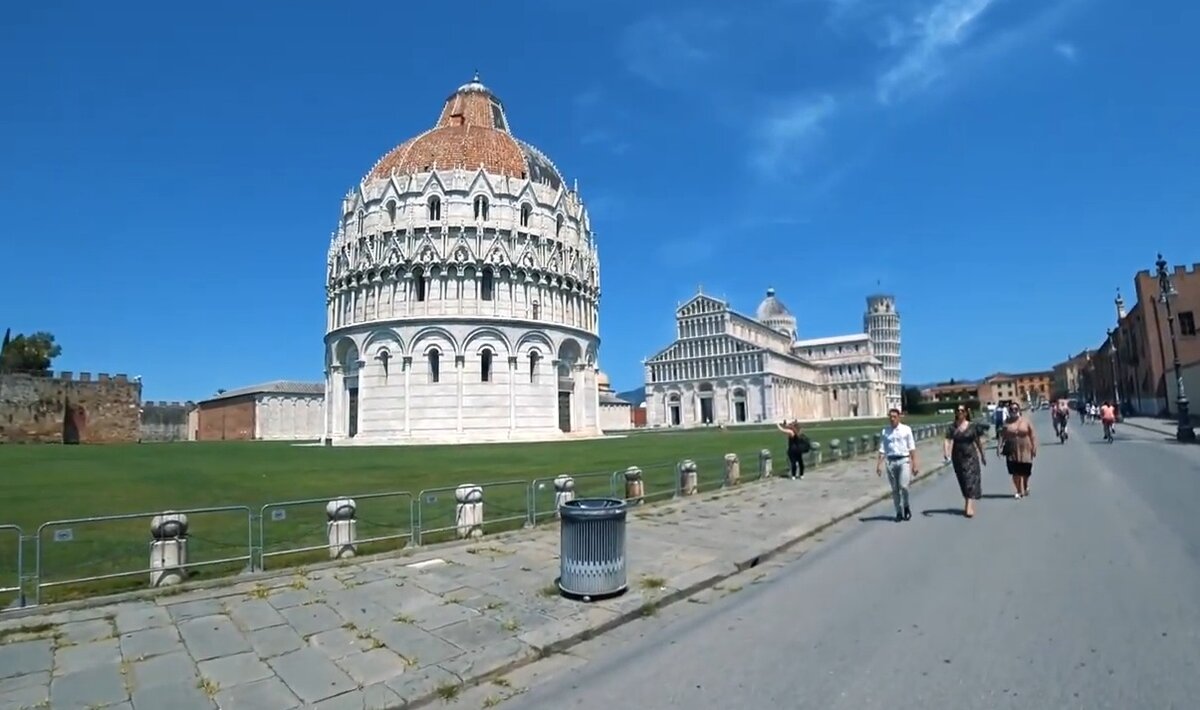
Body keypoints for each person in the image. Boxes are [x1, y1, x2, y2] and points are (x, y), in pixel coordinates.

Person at [943, 405, 987, 517]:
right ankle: (967, 500)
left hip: (970, 456)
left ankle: (969, 505)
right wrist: (946, 452)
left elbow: (978, 441)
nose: (960, 413)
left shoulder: (972, 426)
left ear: (966, 413)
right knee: (962, 480)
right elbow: (947, 440)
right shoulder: (952, 427)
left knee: (969, 480)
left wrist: (982, 455)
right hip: (957, 457)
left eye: (962, 411)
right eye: (958, 411)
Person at [876, 408, 919, 522]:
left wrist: (915, 464)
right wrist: (879, 465)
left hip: (904, 460)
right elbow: (882, 449)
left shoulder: (906, 430)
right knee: (894, 489)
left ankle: (906, 505)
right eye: (890, 416)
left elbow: (912, 448)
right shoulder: (885, 431)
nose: (892, 419)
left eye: (894, 416)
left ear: (899, 417)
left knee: (904, 486)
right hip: (890, 461)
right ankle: (898, 512)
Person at [998, 401, 1037, 498]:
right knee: (1015, 472)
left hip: (1025, 448)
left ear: (1019, 410)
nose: (1013, 411)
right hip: (1011, 449)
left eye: (1016, 409)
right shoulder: (1006, 422)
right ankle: (1019, 490)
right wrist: (999, 447)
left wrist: (1034, 447)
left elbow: (1032, 435)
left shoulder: (1026, 421)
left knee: (1025, 471)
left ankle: (1025, 484)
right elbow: (1002, 436)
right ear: (1009, 411)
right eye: (1011, 409)